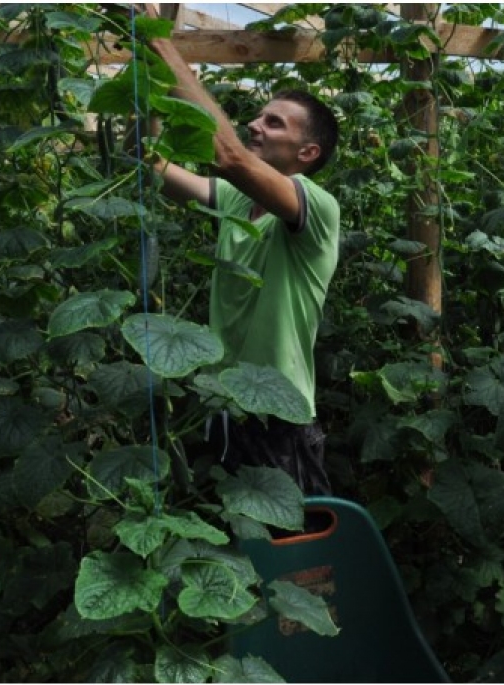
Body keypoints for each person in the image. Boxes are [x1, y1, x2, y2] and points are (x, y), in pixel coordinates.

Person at [142, 12, 341, 495]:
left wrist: (159, 41)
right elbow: (149, 164)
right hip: (221, 403)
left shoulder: (313, 207)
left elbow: (228, 156)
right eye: (259, 116)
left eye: (274, 123)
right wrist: (147, 79)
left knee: (293, 559)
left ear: (307, 152)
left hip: (277, 413)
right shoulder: (236, 201)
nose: (255, 125)